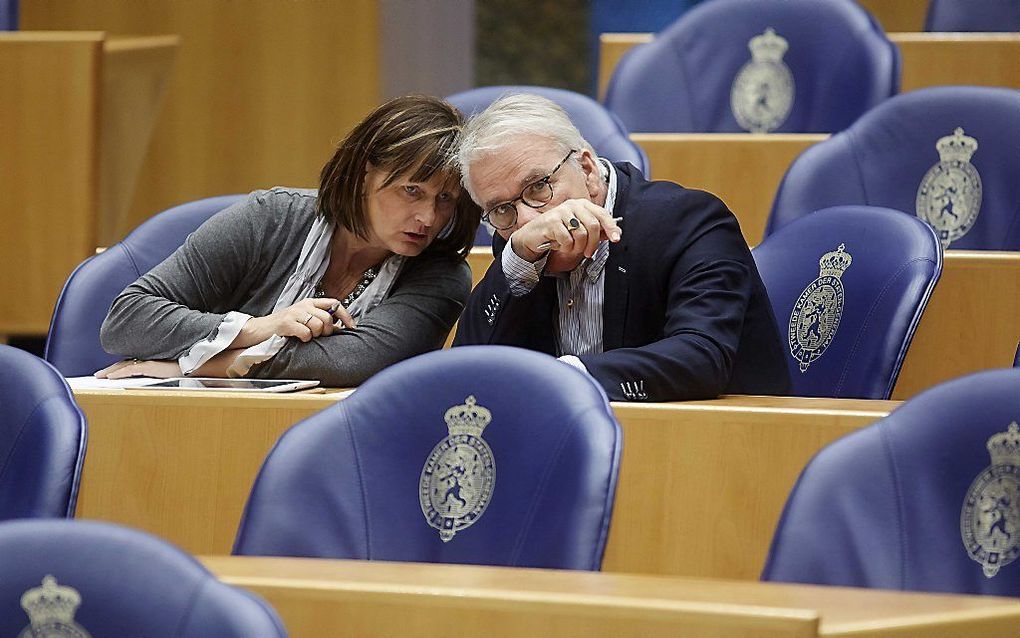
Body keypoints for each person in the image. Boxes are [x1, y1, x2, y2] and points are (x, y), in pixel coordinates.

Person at [98, 95, 478, 386]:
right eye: (412, 190)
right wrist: (261, 327)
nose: (428, 218)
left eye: (445, 199)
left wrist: (188, 366)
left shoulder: (442, 274)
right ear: (365, 173)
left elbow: (354, 362)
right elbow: (126, 319)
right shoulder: (270, 217)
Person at [452, 93, 790, 401]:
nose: (527, 220)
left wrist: (565, 377)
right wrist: (517, 260)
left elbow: (702, 357)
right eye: (501, 209)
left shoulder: (687, 222)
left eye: (539, 187)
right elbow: (467, 370)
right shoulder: (517, 239)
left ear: (587, 169)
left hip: (717, 445)